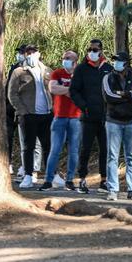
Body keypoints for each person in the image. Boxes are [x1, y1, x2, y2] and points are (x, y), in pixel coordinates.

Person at [70, 39, 113, 194]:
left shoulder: (108, 68)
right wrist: (84, 106)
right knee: (85, 149)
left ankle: (104, 180)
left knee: (105, 150)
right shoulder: (81, 69)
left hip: (105, 117)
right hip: (87, 116)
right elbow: (73, 91)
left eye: (95, 50)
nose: (92, 52)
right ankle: (82, 179)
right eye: (90, 49)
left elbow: (113, 90)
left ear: (101, 50)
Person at [8, 45, 52, 189]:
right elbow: (11, 93)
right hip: (28, 115)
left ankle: (50, 175)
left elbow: (52, 90)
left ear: (39, 53)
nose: (31, 54)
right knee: (28, 146)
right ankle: (27, 175)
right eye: (29, 52)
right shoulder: (19, 72)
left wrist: (52, 109)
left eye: (34, 52)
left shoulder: (47, 71)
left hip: (45, 114)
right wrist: (22, 110)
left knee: (47, 146)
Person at [38, 50, 80, 192]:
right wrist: (70, 89)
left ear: (75, 60)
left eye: (68, 58)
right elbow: (53, 88)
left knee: (73, 151)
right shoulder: (57, 73)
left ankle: (69, 180)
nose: (65, 60)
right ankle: (48, 180)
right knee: (55, 149)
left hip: (76, 117)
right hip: (59, 117)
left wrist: (68, 90)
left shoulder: (81, 73)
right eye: (64, 58)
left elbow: (81, 90)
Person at [101, 52, 132, 201]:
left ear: (126, 62)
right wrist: (127, 95)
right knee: (112, 156)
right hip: (113, 121)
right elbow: (109, 97)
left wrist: (124, 95)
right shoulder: (107, 77)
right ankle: (112, 189)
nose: (116, 63)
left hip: (131, 120)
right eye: (115, 60)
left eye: (119, 60)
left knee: (131, 156)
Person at [5, 45, 27, 175]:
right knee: (7, 136)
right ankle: (7, 163)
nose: (19, 54)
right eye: (18, 52)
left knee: (25, 138)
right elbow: (9, 86)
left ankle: (26, 167)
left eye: (22, 52)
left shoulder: (31, 69)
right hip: (9, 107)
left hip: (24, 108)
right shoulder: (13, 67)